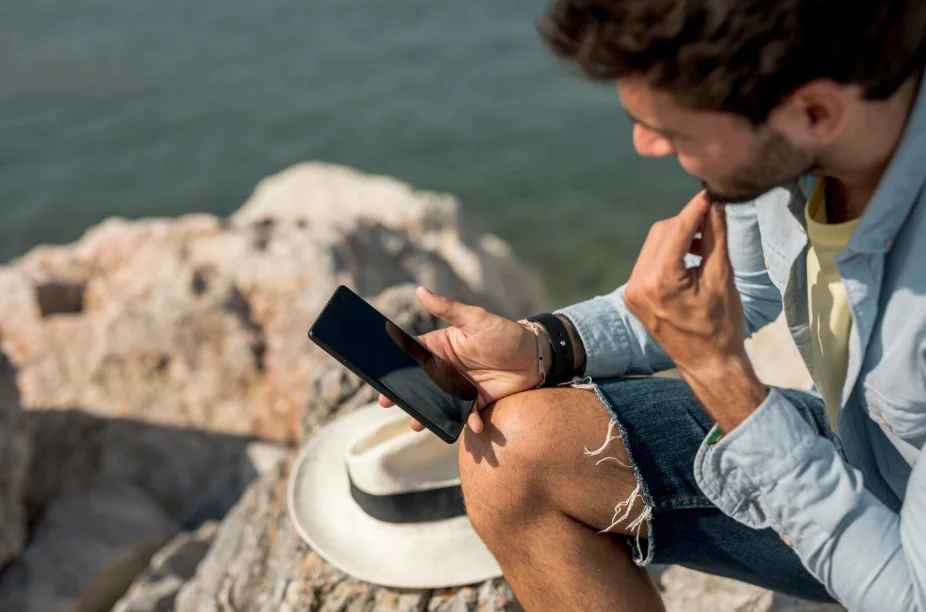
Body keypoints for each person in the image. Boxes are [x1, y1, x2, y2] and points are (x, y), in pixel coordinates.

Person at [379, 1, 926, 610]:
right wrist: (543, 347)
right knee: (514, 459)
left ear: (816, 112)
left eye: (675, 133)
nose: (645, 145)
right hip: (868, 457)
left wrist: (723, 380)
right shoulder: (794, 134)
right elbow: (744, 289)